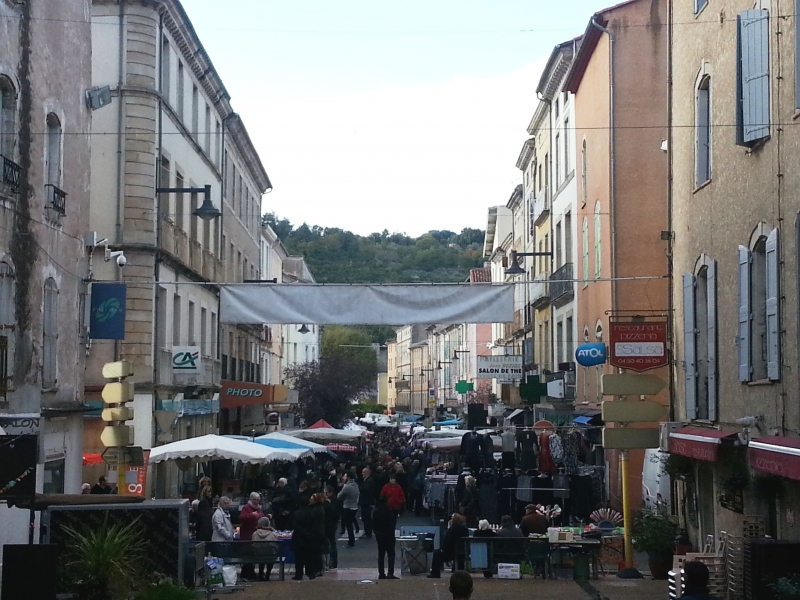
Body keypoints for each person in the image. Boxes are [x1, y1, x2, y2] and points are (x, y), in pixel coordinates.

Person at [291, 495, 324, 580]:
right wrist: (309, 533)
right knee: (309, 557)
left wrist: (302, 532)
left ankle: (299, 574)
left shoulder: (296, 513)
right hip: (310, 537)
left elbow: (295, 526)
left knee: (299, 558)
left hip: (299, 538)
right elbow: (315, 525)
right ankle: (310, 573)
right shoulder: (311, 512)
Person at [428, 513, 469, 578]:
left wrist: (443, 549)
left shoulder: (453, 529)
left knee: (436, 553)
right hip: (462, 552)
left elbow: (448, 541)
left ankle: (435, 573)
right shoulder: (465, 530)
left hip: (451, 552)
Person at [239, 492, 264, 580]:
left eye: (258, 500)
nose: (256, 502)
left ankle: (249, 573)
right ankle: (247, 574)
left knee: (251, 555)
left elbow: (262, 517)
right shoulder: (246, 508)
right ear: (250, 499)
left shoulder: (259, 509)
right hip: (247, 535)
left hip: (255, 535)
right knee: (247, 555)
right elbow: (242, 517)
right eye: (254, 499)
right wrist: (251, 515)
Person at [372, 495, 398, 579]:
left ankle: (381, 573)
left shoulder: (376, 511)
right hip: (388, 534)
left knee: (381, 554)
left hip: (379, 534)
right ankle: (390, 573)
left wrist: (376, 532)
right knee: (391, 554)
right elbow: (392, 524)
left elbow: (373, 523)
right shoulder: (389, 511)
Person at [251, 517, 278, 581]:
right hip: (270, 555)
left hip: (258, 555)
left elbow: (253, 545)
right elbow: (276, 546)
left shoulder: (255, 533)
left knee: (261, 554)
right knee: (270, 554)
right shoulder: (272, 534)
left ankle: (260, 574)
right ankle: (267, 574)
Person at [337, 472, 360, 548]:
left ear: (348, 478)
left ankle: (351, 541)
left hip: (347, 506)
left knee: (348, 525)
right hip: (354, 506)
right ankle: (356, 530)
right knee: (351, 521)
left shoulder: (346, 486)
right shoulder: (356, 485)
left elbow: (339, 496)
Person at [323, 486, 341, 569]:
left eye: (326, 493)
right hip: (327, 523)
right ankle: (328, 562)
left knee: (332, 543)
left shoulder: (334, 501)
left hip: (331, 524)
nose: (325, 494)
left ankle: (333, 562)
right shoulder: (326, 502)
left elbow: (335, 513)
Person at [359, 467, 376, 539]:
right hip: (365, 501)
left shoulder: (370, 481)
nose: (362, 474)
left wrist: (360, 488)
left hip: (367, 502)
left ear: (367, 473)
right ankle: (367, 531)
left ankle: (368, 533)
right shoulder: (366, 480)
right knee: (365, 518)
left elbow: (364, 489)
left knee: (367, 518)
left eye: (363, 472)